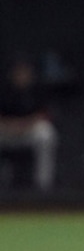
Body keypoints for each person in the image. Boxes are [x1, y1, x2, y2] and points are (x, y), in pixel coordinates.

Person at [0, 56, 58, 192]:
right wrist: (11, 124)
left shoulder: (38, 89)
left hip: (30, 130)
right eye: (18, 72)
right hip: (6, 130)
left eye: (25, 71)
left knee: (46, 134)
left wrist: (25, 123)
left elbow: (45, 114)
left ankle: (43, 187)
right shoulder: (4, 89)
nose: (22, 75)